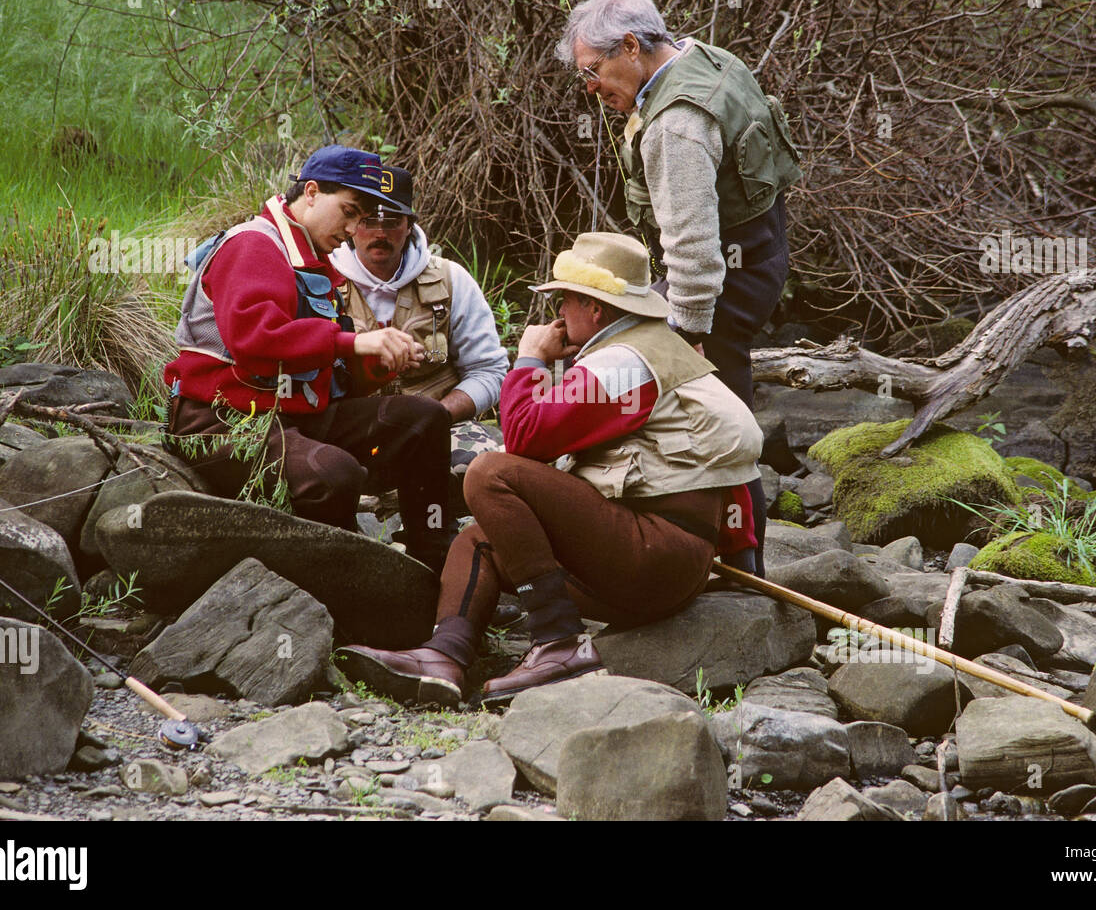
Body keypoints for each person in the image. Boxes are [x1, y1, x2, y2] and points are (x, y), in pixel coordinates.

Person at [334, 232, 763, 707]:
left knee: (489, 473)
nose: (558, 313)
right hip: (663, 561)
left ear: (594, 308)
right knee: (478, 539)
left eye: (564, 301)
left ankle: (558, 640)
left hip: (651, 555)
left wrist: (530, 359)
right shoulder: (665, 350)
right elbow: (731, 474)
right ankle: (444, 656)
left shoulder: (623, 364)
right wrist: (740, 560)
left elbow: (522, 439)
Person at [556, 0, 802, 576]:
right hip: (761, 255)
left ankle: (741, 569)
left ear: (632, 46)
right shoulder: (702, 57)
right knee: (711, 401)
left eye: (594, 71)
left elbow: (692, 250)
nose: (591, 90)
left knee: (720, 418)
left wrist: (688, 335)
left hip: (723, 280)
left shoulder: (675, 126)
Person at [163, 145, 453, 571]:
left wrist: (377, 363)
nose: (354, 229)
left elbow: (320, 367)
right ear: (312, 192)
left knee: (424, 419)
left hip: (290, 414)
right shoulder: (255, 246)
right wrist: (353, 343)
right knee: (334, 474)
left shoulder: (311, 258)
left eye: (362, 218)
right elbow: (256, 341)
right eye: (350, 212)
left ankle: (433, 564)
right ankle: (344, 584)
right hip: (218, 421)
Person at [328, 164, 508, 485]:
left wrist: (437, 415)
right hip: (349, 432)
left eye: (392, 222)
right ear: (352, 224)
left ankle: (436, 529)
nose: (380, 234)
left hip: (441, 428)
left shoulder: (452, 280)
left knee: (492, 463)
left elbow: (489, 371)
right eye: (369, 220)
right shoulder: (320, 281)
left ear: (410, 225)